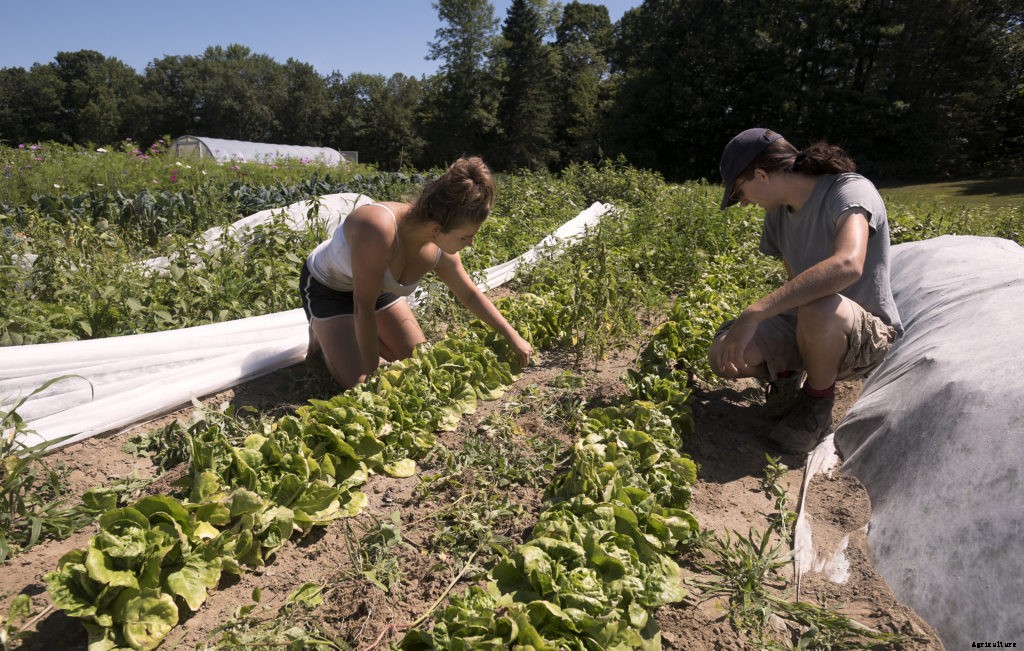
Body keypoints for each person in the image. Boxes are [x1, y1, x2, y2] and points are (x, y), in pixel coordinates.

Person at [708, 128, 902, 454]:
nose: (742, 203)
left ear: (760, 174)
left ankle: (816, 403)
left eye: (740, 191)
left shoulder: (850, 191)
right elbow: (796, 283)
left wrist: (755, 312)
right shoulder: (779, 216)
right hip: (811, 325)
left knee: (819, 307)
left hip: (865, 336)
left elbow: (848, 264)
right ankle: (788, 380)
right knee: (725, 356)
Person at [299, 156, 533, 389]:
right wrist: (370, 377)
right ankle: (324, 336)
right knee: (359, 384)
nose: (471, 243)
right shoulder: (378, 229)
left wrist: (512, 336)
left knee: (418, 365)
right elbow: (363, 307)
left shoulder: (441, 248)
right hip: (329, 289)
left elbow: (469, 294)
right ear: (436, 228)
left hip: (378, 292)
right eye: (465, 236)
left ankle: (344, 337)